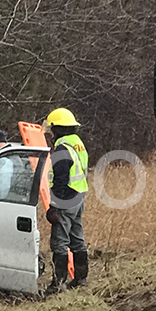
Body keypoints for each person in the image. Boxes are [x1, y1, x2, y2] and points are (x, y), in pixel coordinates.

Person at [43, 108, 89, 293]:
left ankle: (57, 284)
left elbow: (60, 178)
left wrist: (54, 206)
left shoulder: (62, 148)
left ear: (57, 128)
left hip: (66, 199)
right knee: (77, 239)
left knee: (59, 242)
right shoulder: (77, 144)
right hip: (78, 196)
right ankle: (81, 279)